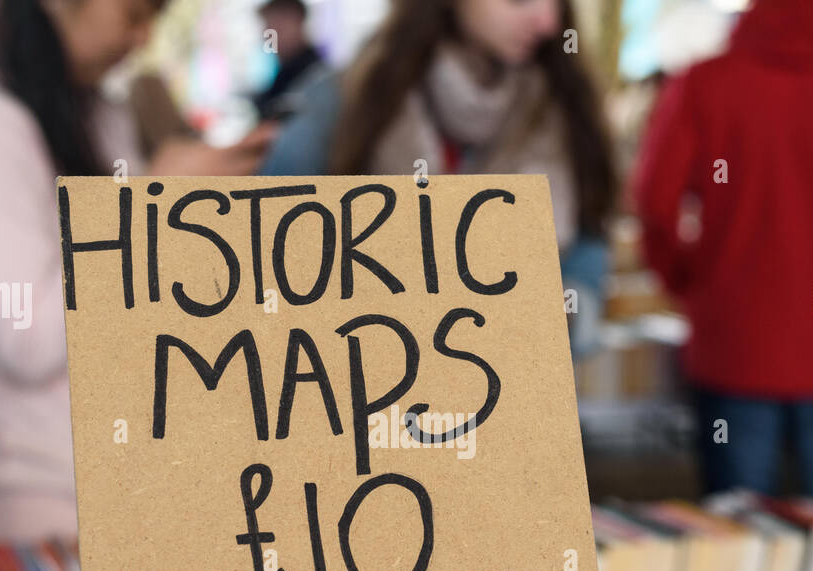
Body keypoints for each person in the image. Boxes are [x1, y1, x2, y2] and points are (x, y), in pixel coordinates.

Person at [0, 0, 272, 542]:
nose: (142, 38)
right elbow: (24, 334)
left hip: (101, 502)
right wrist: (153, 208)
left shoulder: (86, 114)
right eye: (135, 13)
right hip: (30, 515)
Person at [633, 0, 813, 497]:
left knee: (736, 538)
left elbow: (655, 201)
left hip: (734, 337)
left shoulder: (705, 84)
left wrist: (690, 279)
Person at [261, 0, 615, 360]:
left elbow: (587, 247)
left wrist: (558, 320)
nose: (547, 23)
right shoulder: (339, 104)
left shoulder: (566, 110)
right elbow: (272, 256)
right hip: (362, 390)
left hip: (511, 393)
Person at [253, 0, 327, 122]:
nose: (268, 36)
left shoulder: (313, 75)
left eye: (277, 28)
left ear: (298, 23)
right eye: (267, 28)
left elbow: (279, 128)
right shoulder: (285, 72)